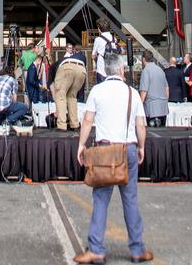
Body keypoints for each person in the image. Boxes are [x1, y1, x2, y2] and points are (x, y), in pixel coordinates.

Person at [74, 49, 153, 264]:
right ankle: (137, 249)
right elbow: (140, 125)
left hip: (105, 152)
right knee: (130, 200)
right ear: (121, 70)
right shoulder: (132, 93)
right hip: (128, 149)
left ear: (105, 71)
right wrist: (141, 147)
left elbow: (88, 121)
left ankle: (96, 249)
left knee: (100, 200)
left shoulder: (97, 91)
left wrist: (81, 145)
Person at [52, 44, 88, 132]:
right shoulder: (81, 57)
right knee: (72, 97)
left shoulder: (52, 67)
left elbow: (51, 83)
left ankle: (62, 125)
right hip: (81, 69)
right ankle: (74, 124)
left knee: (60, 96)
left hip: (67, 67)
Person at [138, 51, 169, 127]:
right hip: (163, 108)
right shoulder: (160, 70)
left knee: (153, 132)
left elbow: (144, 91)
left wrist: (139, 106)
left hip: (152, 108)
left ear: (143, 59)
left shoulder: (146, 71)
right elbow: (167, 88)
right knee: (163, 131)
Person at [91, 18, 117, 85]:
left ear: (99, 29)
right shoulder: (114, 39)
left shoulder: (98, 39)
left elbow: (93, 55)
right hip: (112, 69)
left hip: (101, 70)